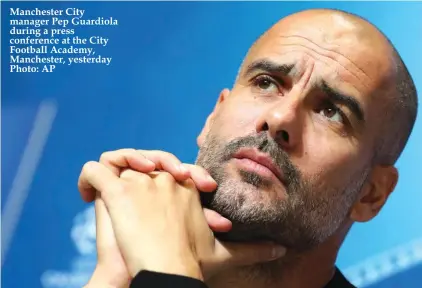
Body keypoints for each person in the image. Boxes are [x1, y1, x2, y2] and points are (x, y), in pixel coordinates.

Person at [78, 8, 418, 288]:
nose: (279, 117)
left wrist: (166, 271)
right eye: (266, 83)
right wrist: (115, 276)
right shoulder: (121, 273)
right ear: (212, 118)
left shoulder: (160, 267)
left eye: (331, 111)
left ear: (371, 194)